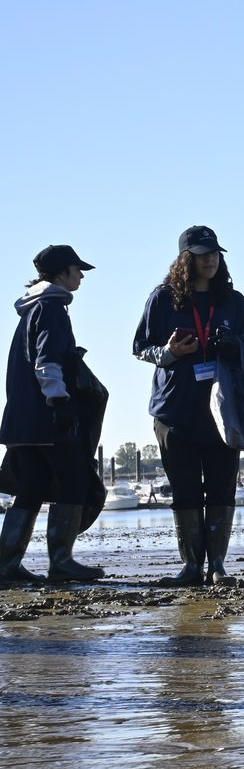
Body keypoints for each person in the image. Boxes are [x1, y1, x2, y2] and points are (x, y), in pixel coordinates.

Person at [133, 226, 244, 586]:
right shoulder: (163, 299)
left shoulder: (234, 301)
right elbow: (140, 347)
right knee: (185, 491)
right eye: (203, 254)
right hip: (174, 411)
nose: (211, 260)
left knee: (221, 488)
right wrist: (170, 353)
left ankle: (217, 564)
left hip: (222, 412)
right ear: (186, 259)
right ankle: (191, 567)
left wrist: (234, 346)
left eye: (215, 253)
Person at [0, 246, 105, 582]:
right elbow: (46, 360)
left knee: (32, 485)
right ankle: (61, 560)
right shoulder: (52, 307)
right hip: (45, 417)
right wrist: (58, 401)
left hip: (20, 420)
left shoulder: (31, 308)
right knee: (73, 480)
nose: (82, 275)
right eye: (78, 268)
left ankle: (6, 565)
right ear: (62, 272)